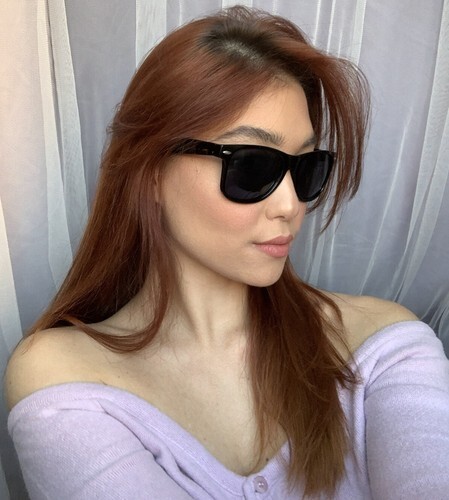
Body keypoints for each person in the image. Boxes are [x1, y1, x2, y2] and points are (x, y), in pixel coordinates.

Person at [5, 6, 449, 499]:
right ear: (149, 172)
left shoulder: (382, 347)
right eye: (252, 165)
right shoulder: (66, 374)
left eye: (307, 168)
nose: (291, 205)